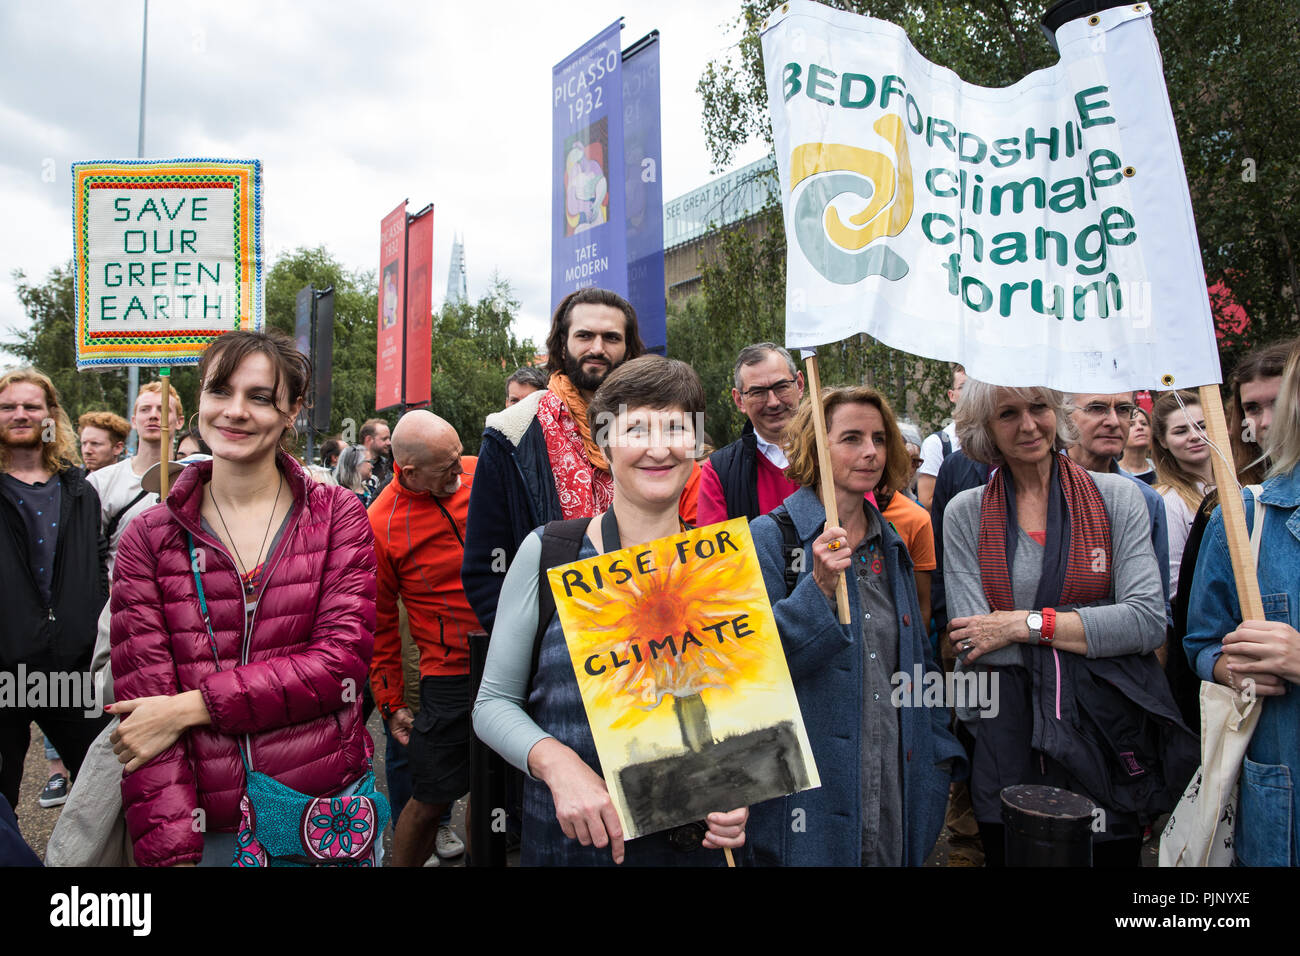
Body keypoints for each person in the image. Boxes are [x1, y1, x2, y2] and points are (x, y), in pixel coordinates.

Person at [107, 330, 380, 867]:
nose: (235, 412)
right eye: (219, 391)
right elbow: (146, 723)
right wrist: (171, 856)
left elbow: (338, 666)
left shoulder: (337, 515)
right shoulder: (149, 536)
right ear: (200, 401)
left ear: (292, 411)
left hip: (320, 810)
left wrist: (192, 707)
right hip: (207, 826)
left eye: (259, 397)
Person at [474, 355, 748, 865]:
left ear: (696, 445)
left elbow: (736, 718)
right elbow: (491, 705)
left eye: (676, 427)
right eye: (636, 428)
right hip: (576, 846)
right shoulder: (549, 551)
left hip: (689, 850)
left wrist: (738, 786)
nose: (658, 447)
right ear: (604, 443)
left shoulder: (720, 567)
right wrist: (557, 763)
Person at [943, 380, 1192, 867]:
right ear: (986, 430)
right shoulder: (965, 513)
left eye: (1038, 407)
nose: (1029, 424)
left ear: (1058, 411)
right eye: (1008, 414)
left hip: (1106, 735)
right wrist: (1094, 630)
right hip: (1007, 739)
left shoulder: (1117, 497)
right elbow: (979, 644)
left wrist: (1023, 624)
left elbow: (1144, 622)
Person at [747, 386, 964, 865]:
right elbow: (753, 670)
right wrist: (818, 588)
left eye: (879, 438)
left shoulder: (892, 544)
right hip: (807, 802)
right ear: (814, 447)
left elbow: (917, 656)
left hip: (894, 785)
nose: (870, 452)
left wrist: (936, 756)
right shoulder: (769, 539)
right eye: (851, 438)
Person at [465, 287, 679, 633]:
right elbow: (486, 568)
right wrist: (535, 651)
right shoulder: (511, 432)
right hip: (558, 642)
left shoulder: (663, 431)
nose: (597, 348)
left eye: (611, 337)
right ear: (562, 343)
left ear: (629, 349)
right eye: (585, 336)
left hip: (657, 631)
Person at [1183, 340, 1300, 866]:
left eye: (1282, 401)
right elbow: (1200, 643)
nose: (1267, 421)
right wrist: (1232, 667)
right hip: (1279, 809)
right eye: (1252, 407)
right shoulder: (1241, 519)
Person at [369, 411, 479, 867]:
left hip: (510, 657)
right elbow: (378, 625)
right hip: (448, 670)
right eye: (447, 468)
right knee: (431, 798)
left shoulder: (479, 471)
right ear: (409, 471)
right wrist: (392, 703)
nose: (459, 473)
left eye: (459, 458)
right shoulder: (380, 523)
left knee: (499, 788)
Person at [0, 368, 110, 814]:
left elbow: (97, 565)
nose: (20, 414)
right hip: (3, 666)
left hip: (70, 666)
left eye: (31, 406)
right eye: (8, 407)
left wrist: (93, 627)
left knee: (100, 785)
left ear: (50, 416)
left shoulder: (78, 488)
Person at [1066, 392, 1172, 626]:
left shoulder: (1147, 499)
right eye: (1096, 408)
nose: (1113, 421)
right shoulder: (1032, 490)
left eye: (1124, 409)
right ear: (1064, 415)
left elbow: (1158, 605)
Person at [697, 343, 804, 526]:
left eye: (781, 387)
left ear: (800, 385)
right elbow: (715, 553)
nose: (773, 402)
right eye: (758, 392)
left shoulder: (834, 454)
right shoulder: (719, 472)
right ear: (739, 400)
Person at [88, 380, 184, 576]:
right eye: (145, 409)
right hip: (119, 598)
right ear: (134, 420)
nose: (154, 415)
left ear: (179, 421)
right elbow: (87, 551)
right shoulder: (101, 482)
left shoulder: (195, 480)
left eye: (163, 409)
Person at [1151, 389, 1215, 602]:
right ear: (1163, 441)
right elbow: (1176, 588)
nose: (1195, 436)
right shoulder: (1168, 501)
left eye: (1201, 426)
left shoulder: (1241, 486)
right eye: (1180, 431)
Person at [916, 364, 966, 511]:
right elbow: (927, 500)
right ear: (951, 395)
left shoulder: (995, 438)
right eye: (963, 387)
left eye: (975, 387)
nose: (970, 393)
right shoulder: (938, 443)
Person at [1120, 406, 1156, 483]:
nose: (1140, 427)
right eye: (1131, 425)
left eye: (1144, 423)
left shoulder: (1161, 469)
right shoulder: (1113, 472)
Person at [361, 418, 394, 495]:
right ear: (369, 439)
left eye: (389, 438)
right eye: (384, 439)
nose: (389, 443)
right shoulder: (352, 466)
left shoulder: (389, 466)